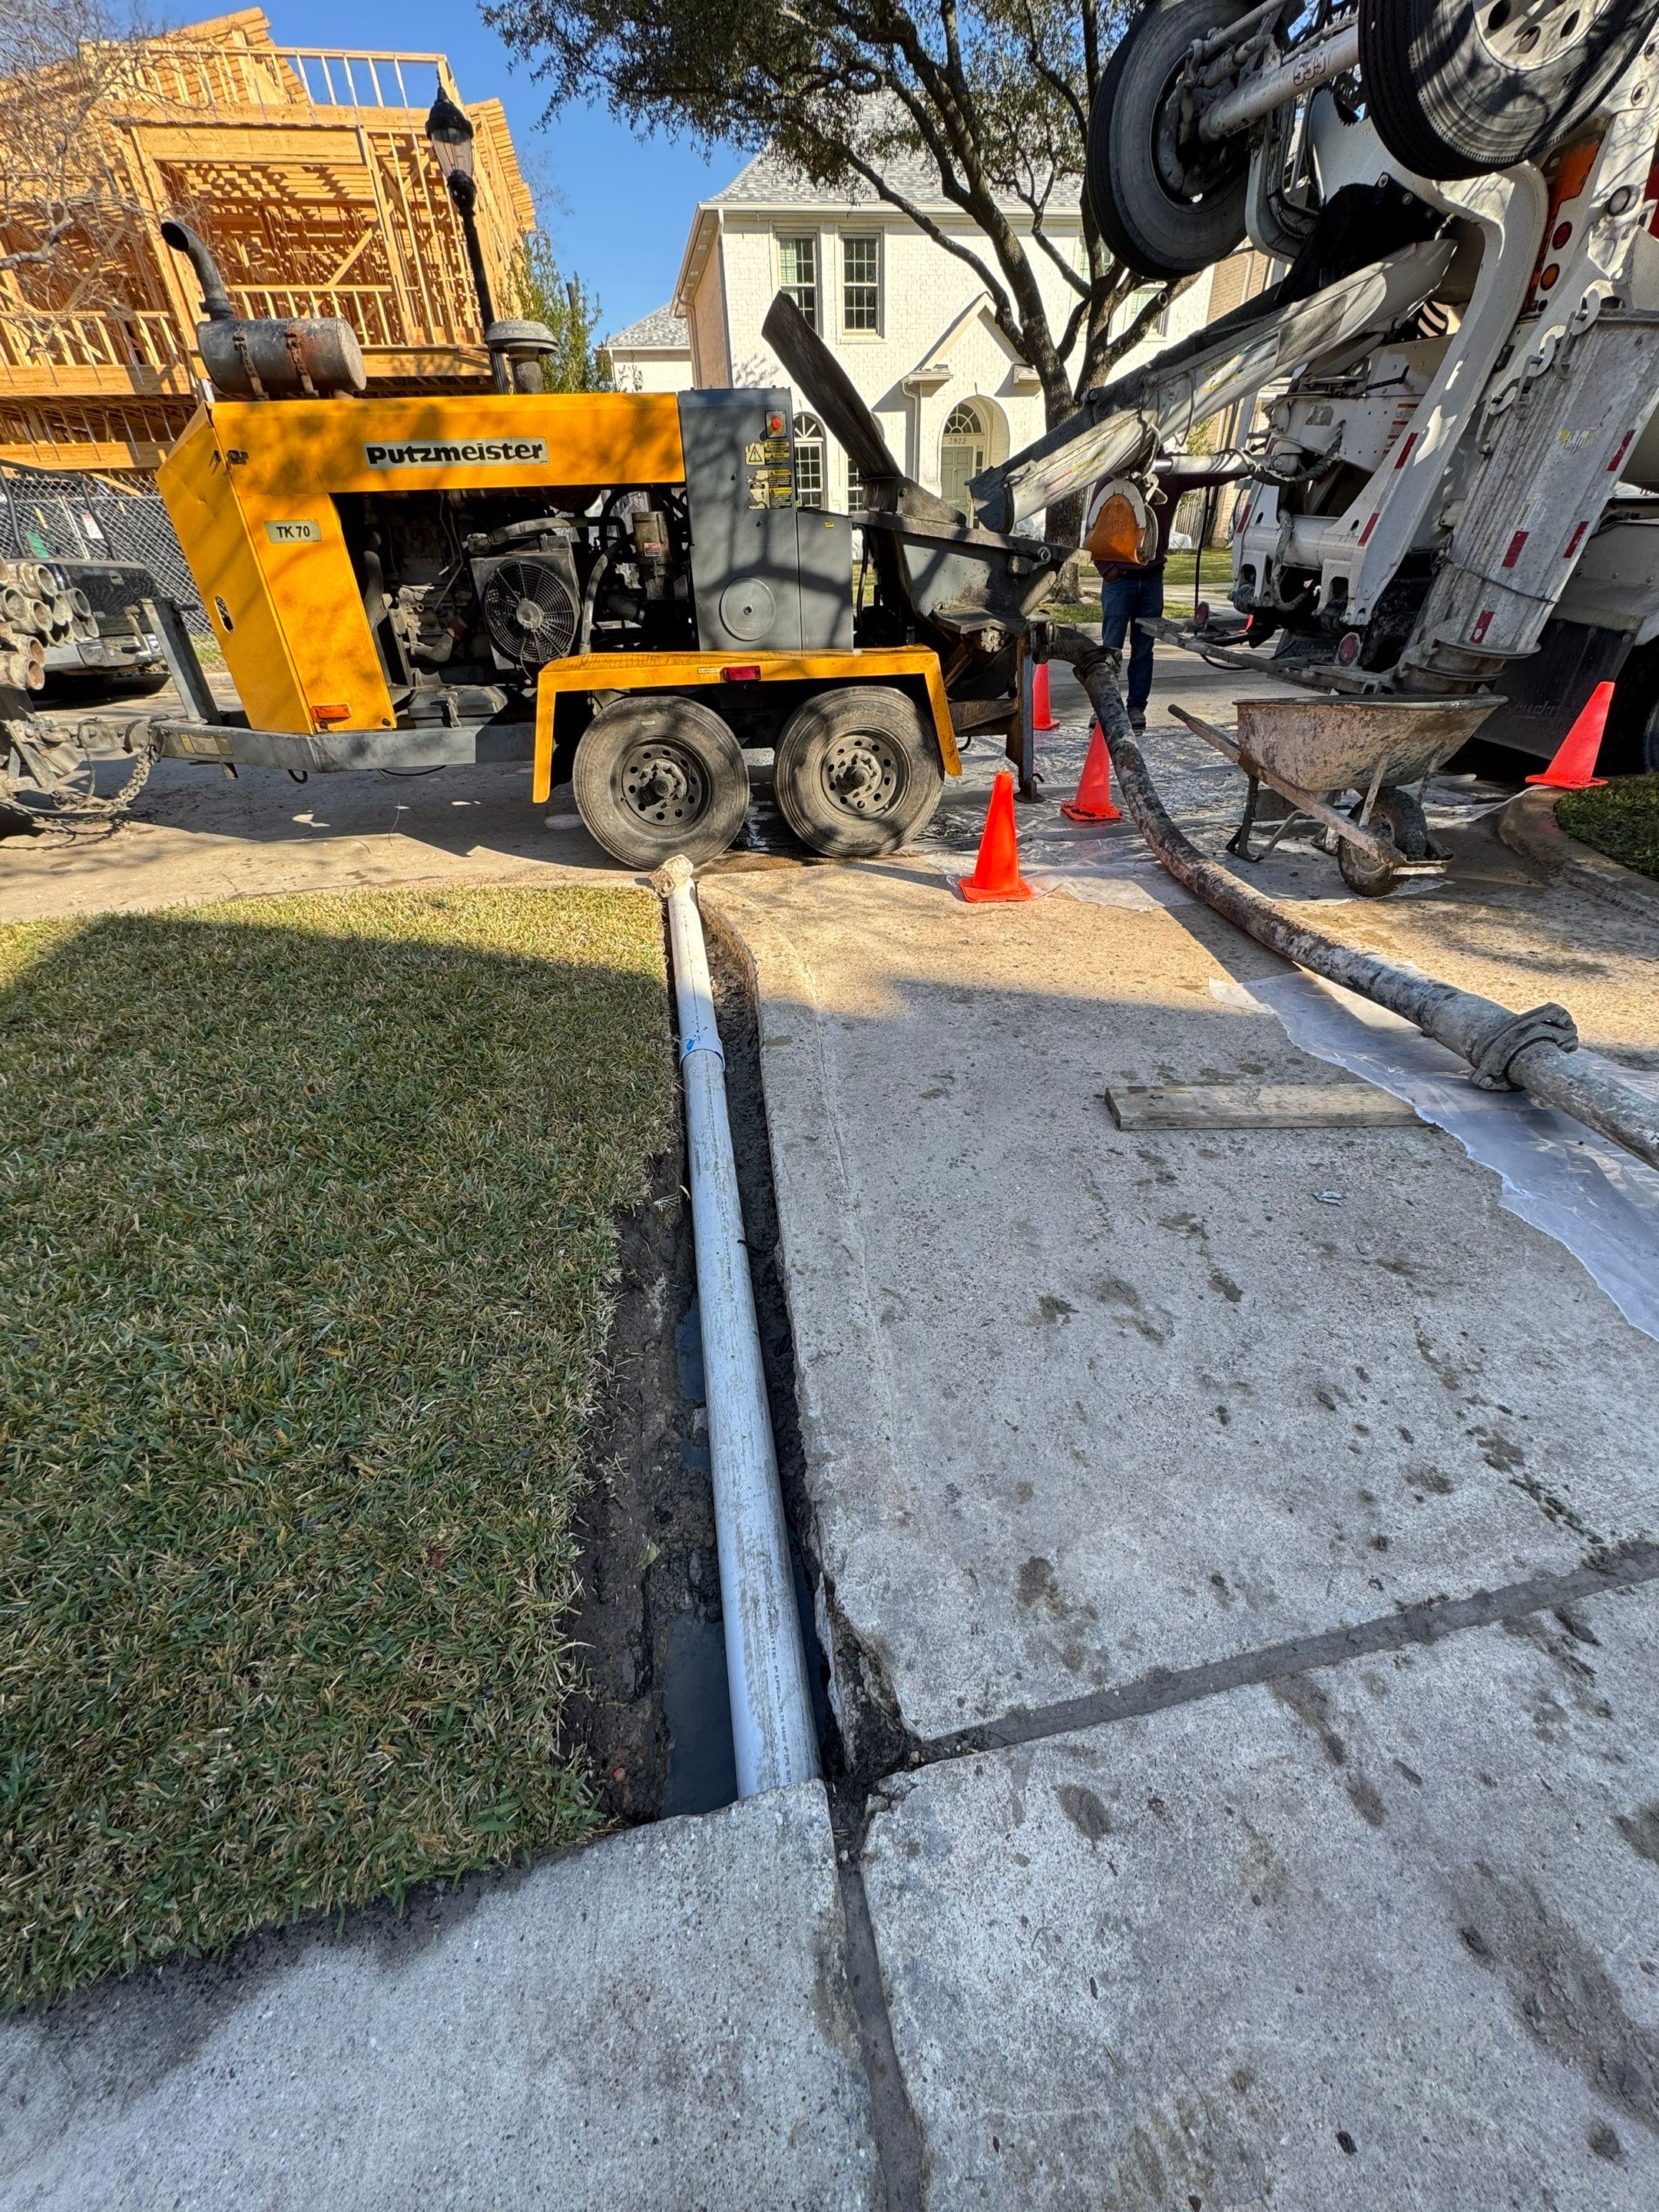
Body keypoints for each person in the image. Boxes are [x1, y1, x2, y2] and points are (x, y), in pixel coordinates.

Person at [1083, 452, 1247, 732]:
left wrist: (1242, 465)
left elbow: (1210, 473)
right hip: (1119, 581)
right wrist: (1106, 568)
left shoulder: (1169, 476)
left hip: (1151, 580)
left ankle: (1136, 708)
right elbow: (1093, 527)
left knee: (1144, 648)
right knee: (1110, 648)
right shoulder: (1114, 479)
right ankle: (1104, 705)